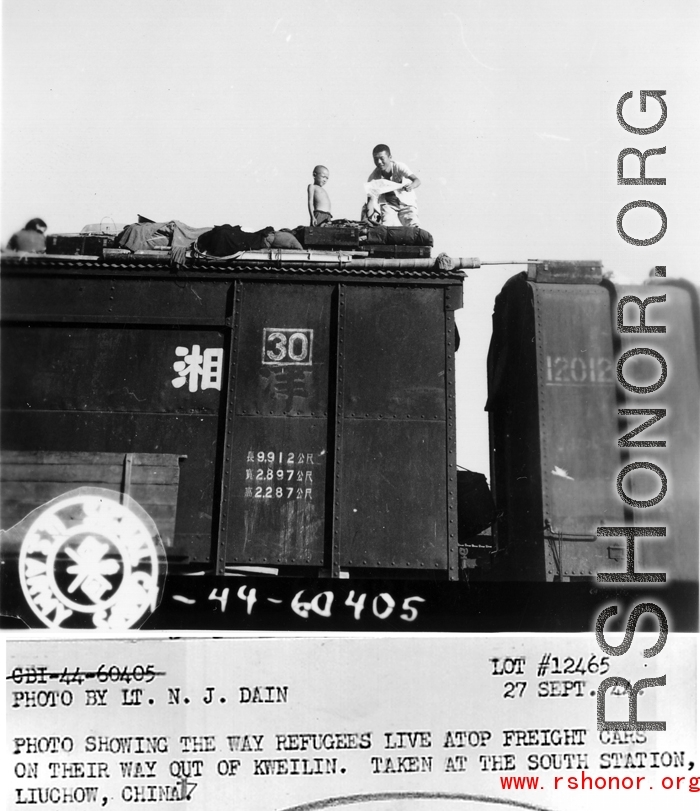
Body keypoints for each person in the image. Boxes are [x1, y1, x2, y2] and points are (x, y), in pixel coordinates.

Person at [366, 144, 421, 227]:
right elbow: (370, 201)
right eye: (376, 159)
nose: (379, 162)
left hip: (406, 203)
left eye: (382, 158)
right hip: (388, 205)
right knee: (386, 227)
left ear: (390, 157)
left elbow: (417, 180)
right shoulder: (373, 178)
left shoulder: (399, 167)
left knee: (413, 225)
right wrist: (368, 220)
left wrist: (411, 186)